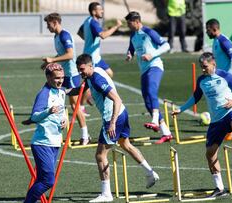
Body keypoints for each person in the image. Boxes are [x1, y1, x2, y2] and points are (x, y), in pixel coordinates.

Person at [172, 52, 232, 198]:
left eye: (205, 66)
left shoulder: (225, 76)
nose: (203, 69)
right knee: (210, 153)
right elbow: (195, 97)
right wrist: (180, 109)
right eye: (201, 67)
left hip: (230, 112)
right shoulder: (201, 80)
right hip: (215, 121)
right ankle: (220, 188)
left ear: (213, 64)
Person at [73, 54, 159, 202]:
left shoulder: (97, 80)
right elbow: (81, 87)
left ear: (90, 65)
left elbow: (117, 99)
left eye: (82, 69)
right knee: (126, 144)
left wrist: (112, 123)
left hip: (113, 118)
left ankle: (106, 194)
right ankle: (150, 173)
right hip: (122, 113)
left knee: (100, 155)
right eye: (78, 70)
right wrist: (62, 89)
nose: (80, 73)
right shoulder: (94, 73)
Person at [42, 13, 91, 145]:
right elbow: (61, 53)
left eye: (48, 24)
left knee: (75, 106)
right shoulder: (56, 36)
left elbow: (69, 54)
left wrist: (52, 60)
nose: (47, 27)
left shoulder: (64, 35)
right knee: (60, 102)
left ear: (55, 22)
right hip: (64, 75)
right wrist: (49, 63)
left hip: (72, 74)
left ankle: (85, 135)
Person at [125, 11, 173, 144]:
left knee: (152, 92)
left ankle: (154, 121)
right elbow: (131, 49)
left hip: (155, 66)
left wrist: (152, 55)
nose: (128, 26)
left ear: (137, 22)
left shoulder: (149, 32)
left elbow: (167, 45)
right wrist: (129, 54)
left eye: (129, 23)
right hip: (144, 71)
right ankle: (166, 133)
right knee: (147, 102)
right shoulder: (133, 35)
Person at [24, 63, 67, 203]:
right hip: (42, 143)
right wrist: (48, 111)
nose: (60, 80)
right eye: (57, 78)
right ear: (48, 77)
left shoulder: (60, 91)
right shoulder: (44, 94)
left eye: (62, 77)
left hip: (55, 142)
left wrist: (65, 118)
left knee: (43, 179)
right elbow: (34, 117)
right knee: (48, 181)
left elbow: (62, 109)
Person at [81, 2, 122, 78]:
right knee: (91, 82)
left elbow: (80, 32)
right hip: (92, 59)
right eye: (99, 9)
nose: (102, 11)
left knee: (109, 74)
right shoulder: (93, 22)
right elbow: (103, 35)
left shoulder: (87, 20)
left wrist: (88, 40)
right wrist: (117, 26)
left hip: (95, 57)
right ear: (93, 12)